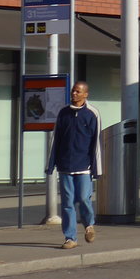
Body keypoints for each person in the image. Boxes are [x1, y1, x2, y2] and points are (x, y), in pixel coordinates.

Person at [46, 80, 102, 250]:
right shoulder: (63, 113)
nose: (74, 94)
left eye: (78, 91)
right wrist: (51, 164)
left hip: (84, 167)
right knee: (67, 203)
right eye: (73, 91)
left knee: (84, 198)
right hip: (65, 166)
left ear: (86, 94)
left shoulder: (92, 114)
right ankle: (70, 238)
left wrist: (96, 168)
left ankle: (88, 225)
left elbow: (96, 143)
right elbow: (55, 139)